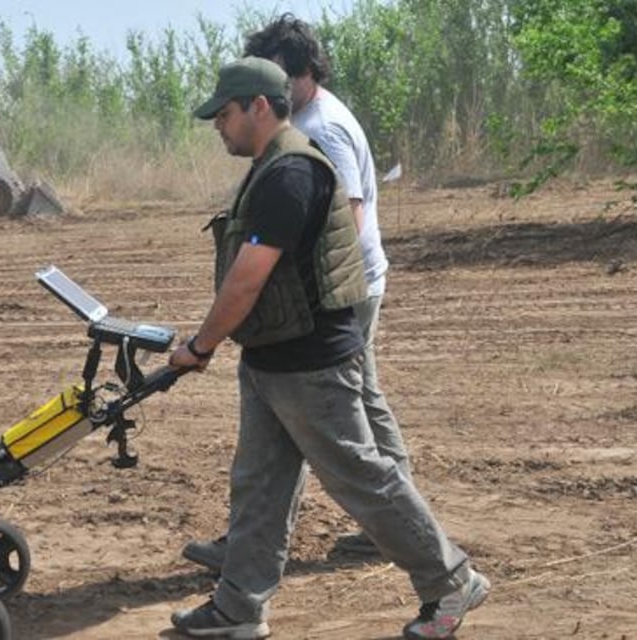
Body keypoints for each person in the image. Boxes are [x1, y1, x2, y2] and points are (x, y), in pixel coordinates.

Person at [168, 56, 489, 640]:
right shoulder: (270, 167)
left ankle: (449, 581)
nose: (218, 124)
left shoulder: (292, 174)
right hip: (272, 355)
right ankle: (238, 609)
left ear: (258, 107)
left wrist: (199, 345)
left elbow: (248, 278)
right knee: (260, 485)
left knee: (360, 478)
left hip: (311, 363)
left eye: (225, 113)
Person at [182, 11, 410, 572]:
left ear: (302, 71)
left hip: (335, 296)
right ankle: (261, 545)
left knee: (338, 424)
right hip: (337, 292)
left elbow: (345, 219)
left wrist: (295, 293)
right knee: (349, 415)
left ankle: (402, 535)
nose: (273, 85)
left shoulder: (322, 128)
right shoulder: (306, 121)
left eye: (279, 73)